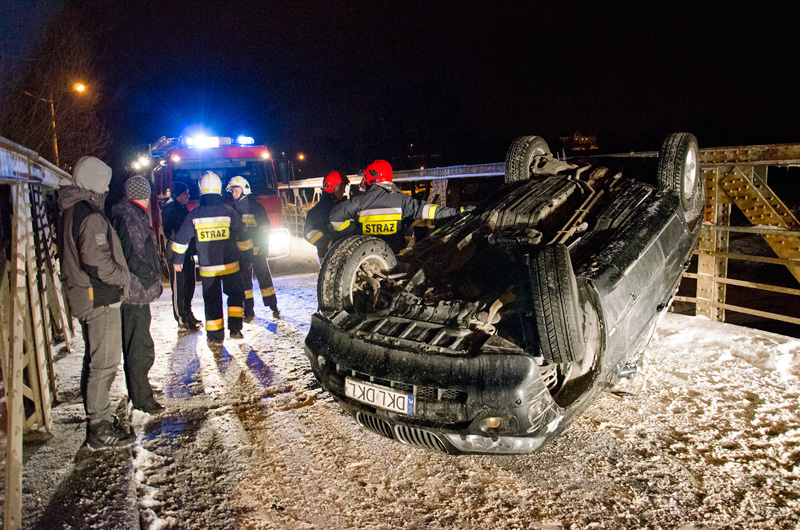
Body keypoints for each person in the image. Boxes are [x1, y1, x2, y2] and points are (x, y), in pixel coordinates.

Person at [57, 156, 136, 449]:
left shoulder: (74, 208)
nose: (107, 186)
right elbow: (97, 261)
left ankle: (98, 418)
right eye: (104, 179)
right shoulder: (89, 215)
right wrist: (123, 277)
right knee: (104, 364)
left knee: (95, 361)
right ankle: (99, 428)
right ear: (92, 180)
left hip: (90, 295)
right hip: (99, 298)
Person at [171, 171, 249, 344]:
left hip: (208, 269)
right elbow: (243, 237)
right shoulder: (230, 212)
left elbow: (181, 240)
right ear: (220, 189)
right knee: (236, 294)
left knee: (212, 301)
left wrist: (177, 260)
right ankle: (235, 329)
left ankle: (215, 336)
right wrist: (247, 257)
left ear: (201, 190)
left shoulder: (194, 214)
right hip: (231, 265)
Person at [111, 176, 165, 414]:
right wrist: (152, 276)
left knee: (138, 343)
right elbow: (134, 256)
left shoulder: (129, 213)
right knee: (139, 346)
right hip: (135, 293)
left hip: (135, 292)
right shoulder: (131, 217)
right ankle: (142, 397)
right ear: (144, 194)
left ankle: (140, 387)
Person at [329, 159, 461, 254]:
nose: (363, 181)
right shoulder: (402, 200)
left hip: (366, 258)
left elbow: (335, 218)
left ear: (373, 178)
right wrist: (456, 212)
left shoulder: (359, 201)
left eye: (365, 177)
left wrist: (354, 231)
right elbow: (428, 210)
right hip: (394, 257)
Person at [226, 176, 281, 320]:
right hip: (242, 254)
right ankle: (248, 311)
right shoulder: (232, 209)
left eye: (235, 189)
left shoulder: (255, 207)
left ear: (244, 189)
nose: (233, 192)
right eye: (231, 190)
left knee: (265, 280)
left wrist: (263, 246)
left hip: (257, 252)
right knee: (245, 284)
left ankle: (273, 307)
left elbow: (264, 228)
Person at [161, 181, 200, 330]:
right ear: (179, 195)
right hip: (176, 254)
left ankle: (188, 313)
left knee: (190, 285)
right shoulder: (170, 209)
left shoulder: (183, 208)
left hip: (187, 252)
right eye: (186, 193)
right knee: (179, 287)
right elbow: (170, 231)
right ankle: (181, 317)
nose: (189, 196)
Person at [303, 170, 350, 262]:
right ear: (333, 187)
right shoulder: (319, 211)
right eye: (342, 187)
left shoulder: (340, 206)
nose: (344, 191)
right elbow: (308, 233)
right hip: (329, 257)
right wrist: (331, 244)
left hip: (344, 255)